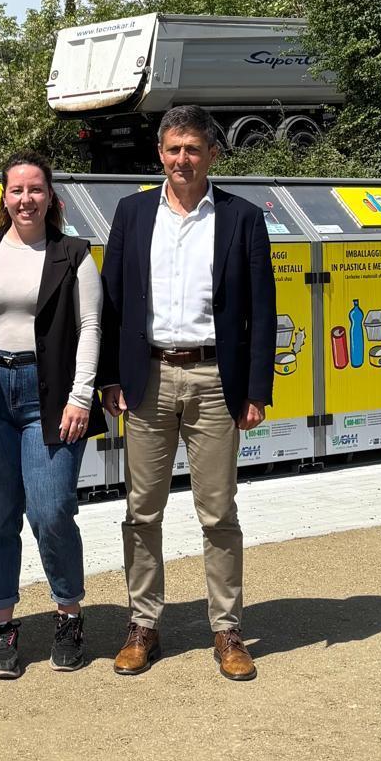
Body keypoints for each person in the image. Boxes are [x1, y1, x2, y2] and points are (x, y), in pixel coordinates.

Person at [98, 105, 277, 681]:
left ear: (212, 155)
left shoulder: (241, 217)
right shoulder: (131, 214)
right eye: (173, 149)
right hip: (147, 378)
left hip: (214, 379)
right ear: (160, 154)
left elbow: (262, 310)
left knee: (218, 511)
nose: (182, 159)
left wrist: (256, 388)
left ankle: (227, 629)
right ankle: (143, 625)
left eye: (193, 149)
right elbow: (111, 301)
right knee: (141, 510)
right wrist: (110, 376)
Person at [0, 151, 104, 678]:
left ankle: (69, 614)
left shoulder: (74, 254)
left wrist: (80, 396)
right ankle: (2, 623)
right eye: (17, 190)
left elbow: (91, 327)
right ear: (4, 197)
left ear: (51, 197)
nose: (26, 199)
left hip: (51, 395)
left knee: (50, 510)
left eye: (35, 189)